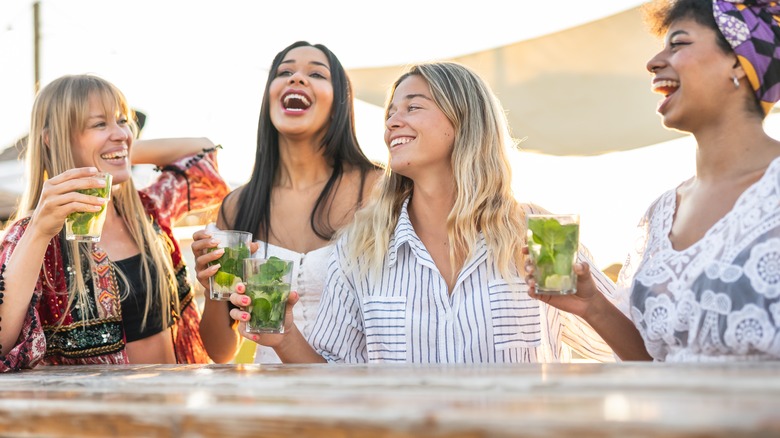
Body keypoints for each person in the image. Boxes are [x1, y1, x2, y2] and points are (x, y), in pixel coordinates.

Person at [228, 61, 619, 364]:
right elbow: (332, 376)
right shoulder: (360, 248)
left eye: (413, 107)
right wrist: (285, 338)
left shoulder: (537, 232)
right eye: (390, 113)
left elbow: (629, 347)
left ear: (465, 119)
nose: (392, 122)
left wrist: (594, 306)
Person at [527, 0, 780, 362]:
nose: (653, 62)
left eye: (678, 43)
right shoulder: (661, 213)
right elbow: (657, 362)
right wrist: (591, 305)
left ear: (738, 62)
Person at [0, 74, 230, 372]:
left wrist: (118, 151)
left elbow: (204, 154)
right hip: (95, 416)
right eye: (99, 124)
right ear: (52, 138)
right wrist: (40, 230)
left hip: (174, 411)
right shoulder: (29, 236)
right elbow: (2, 344)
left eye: (123, 121)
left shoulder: (150, 210)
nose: (122, 132)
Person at [191, 41, 382, 364]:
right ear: (270, 97)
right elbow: (221, 352)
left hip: (360, 396)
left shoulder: (378, 189)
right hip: (272, 400)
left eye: (317, 74)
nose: (297, 79)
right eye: (285, 72)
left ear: (339, 103)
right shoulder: (238, 205)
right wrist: (212, 287)